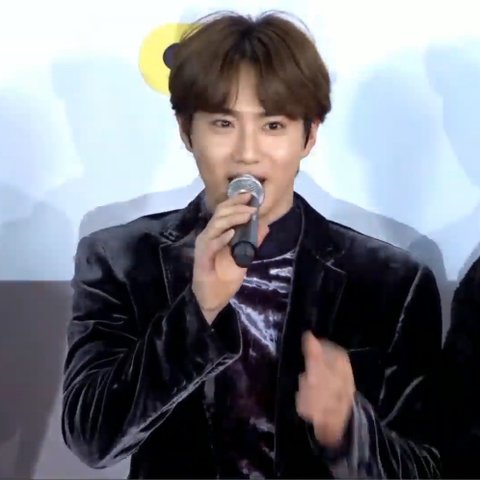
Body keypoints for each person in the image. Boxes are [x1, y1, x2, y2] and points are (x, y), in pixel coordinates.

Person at [62, 11, 443, 479]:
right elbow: (91, 439)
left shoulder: (390, 282)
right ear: (186, 132)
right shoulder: (119, 259)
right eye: (223, 123)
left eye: (273, 126)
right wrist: (197, 311)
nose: (247, 152)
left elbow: (426, 469)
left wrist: (348, 430)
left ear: (309, 135)